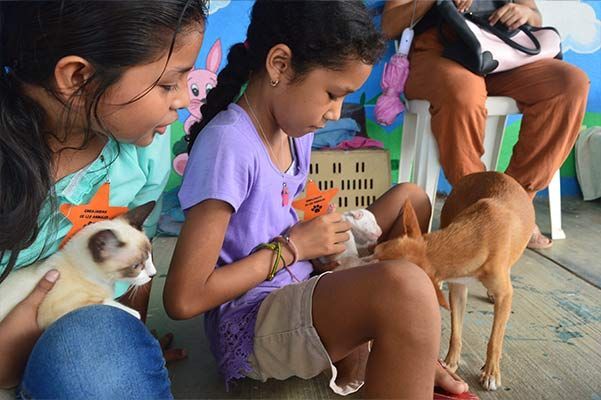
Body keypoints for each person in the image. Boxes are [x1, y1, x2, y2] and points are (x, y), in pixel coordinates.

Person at [164, 1, 469, 398]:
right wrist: (293, 249)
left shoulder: (294, 130)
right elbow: (185, 297)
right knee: (407, 288)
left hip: (301, 270)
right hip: (252, 316)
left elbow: (281, 211)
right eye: (331, 94)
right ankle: (401, 336)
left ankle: (402, 340)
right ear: (279, 64)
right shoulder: (228, 144)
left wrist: (320, 243)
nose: (334, 113)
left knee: (412, 200)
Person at [0, 1, 207, 397]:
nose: (182, 100)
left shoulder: (145, 151)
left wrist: (128, 339)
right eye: (167, 84)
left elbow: (134, 249)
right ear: (78, 77)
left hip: (77, 339)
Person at [382, 0, 590, 249]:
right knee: (463, 92)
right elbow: (389, 26)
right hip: (440, 52)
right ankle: (476, 208)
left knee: (570, 84)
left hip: (499, 51)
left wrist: (523, 13)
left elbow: (535, 16)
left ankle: (514, 206)